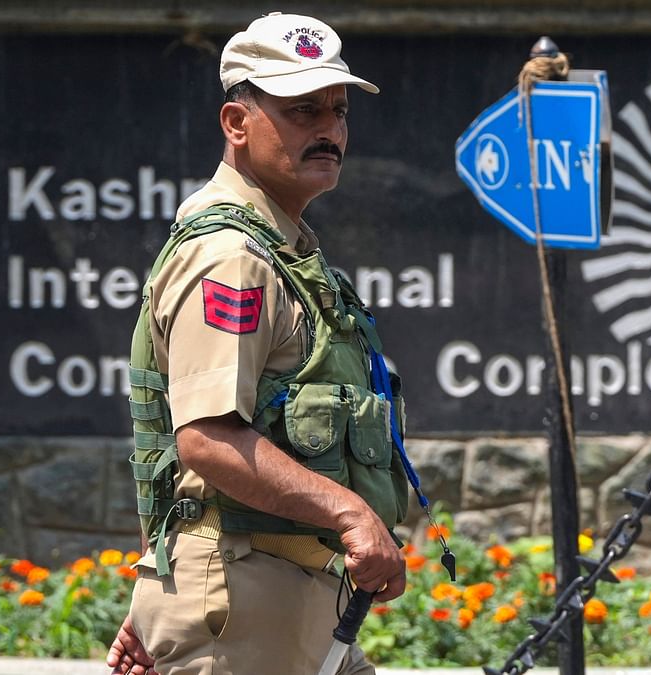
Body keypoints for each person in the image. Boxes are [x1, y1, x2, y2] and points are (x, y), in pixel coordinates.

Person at [106, 12, 409, 674]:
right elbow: (206, 437)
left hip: (283, 605)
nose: (329, 128)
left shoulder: (284, 249)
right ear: (236, 124)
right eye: (303, 110)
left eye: (337, 109)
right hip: (241, 613)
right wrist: (354, 515)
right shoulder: (230, 256)